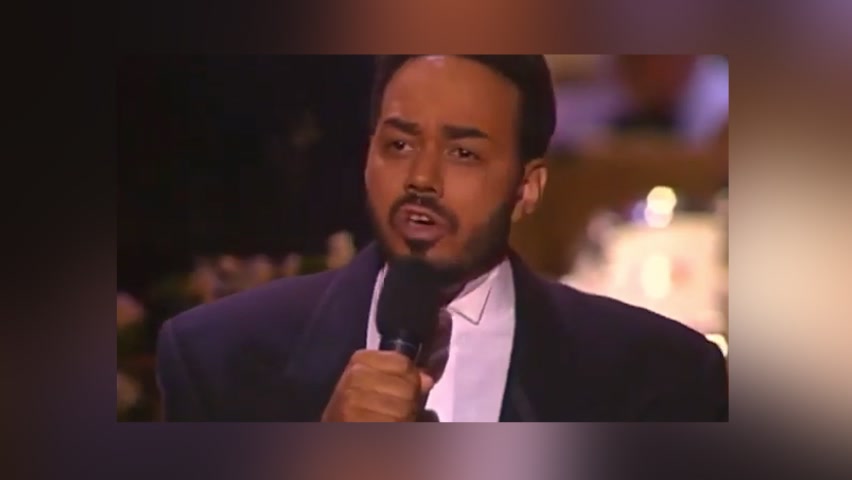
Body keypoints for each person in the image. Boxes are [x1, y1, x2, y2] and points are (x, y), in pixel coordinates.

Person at [156, 55, 728, 422]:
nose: (421, 178)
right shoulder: (217, 356)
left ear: (527, 188)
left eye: (463, 153)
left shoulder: (663, 375)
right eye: (400, 145)